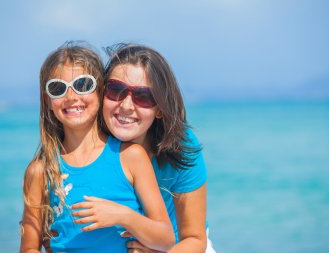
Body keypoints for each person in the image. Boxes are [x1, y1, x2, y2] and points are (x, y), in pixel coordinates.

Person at [19, 41, 175, 253]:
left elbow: (165, 238)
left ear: (101, 91)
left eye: (83, 85)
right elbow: (29, 247)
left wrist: (123, 215)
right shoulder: (40, 172)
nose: (71, 96)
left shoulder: (130, 157)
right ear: (47, 100)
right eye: (58, 88)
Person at [100, 43, 216, 252]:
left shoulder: (181, 145)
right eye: (116, 89)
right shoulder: (87, 145)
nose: (126, 105)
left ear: (160, 108)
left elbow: (194, 238)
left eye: (143, 96)